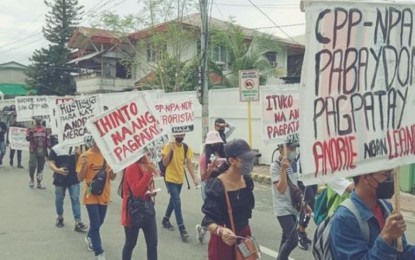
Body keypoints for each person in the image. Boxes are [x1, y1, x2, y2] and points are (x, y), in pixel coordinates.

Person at [330, 170, 415, 259]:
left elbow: (401, 251)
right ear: (366, 177)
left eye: (392, 175)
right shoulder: (344, 219)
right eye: (387, 175)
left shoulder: (386, 206)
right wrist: (386, 238)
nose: (391, 180)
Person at [201, 139, 259, 260]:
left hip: (244, 236)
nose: (250, 163)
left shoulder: (247, 181)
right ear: (232, 160)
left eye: (251, 159)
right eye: (246, 159)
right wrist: (221, 231)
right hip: (224, 242)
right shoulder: (217, 185)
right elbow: (207, 221)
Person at [77, 137, 117, 260]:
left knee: (100, 222)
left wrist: (116, 167)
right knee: (95, 223)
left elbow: (112, 177)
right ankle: (99, 253)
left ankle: (89, 236)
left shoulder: (108, 156)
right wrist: (83, 165)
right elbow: (79, 178)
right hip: (90, 195)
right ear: (93, 141)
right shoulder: (85, 156)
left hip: (104, 195)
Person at [271, 142, 311, 260]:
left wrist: (303, 204)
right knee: (293, 240)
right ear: (280, 149)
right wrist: (283, 169)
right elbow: (281, 189)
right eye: (291, 148)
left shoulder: (293, 164)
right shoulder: (275, 166)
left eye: (294, 148)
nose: (294, 151)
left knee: (286, 238)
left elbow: (295, 187)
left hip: (293, 207)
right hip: (282, 209)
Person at [160, 133, 199, 242]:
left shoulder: (186, 147)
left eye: (182, 134)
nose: (180, 136)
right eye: (178, 134)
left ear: (184, 134)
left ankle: (165, 219)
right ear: (174, 134)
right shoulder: (168, 146)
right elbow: (164, 162)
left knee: (173, 201)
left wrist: (194, 179)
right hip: (170, 178)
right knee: (177, 202)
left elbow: (189, 164)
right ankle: (182, 230)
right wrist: (171, 150)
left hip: (180, 179)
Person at [121, 154, 158, 260]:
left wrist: (152, 191)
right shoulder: (131, 167)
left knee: (153, 244)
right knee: (130, 243)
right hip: (134, 211)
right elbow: (136, 191)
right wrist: (149, 173)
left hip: (147, 208)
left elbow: (149, 184)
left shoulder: (147, 164)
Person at [47, 142, 88, 232]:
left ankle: (78, 221)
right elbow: (50, 162)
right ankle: (60, 216)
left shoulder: (77, 148)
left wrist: (79, 154)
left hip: (74, 177)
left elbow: (85, 161)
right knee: (59, 198)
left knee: (75, 198)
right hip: (60, 178)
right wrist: (57, 170)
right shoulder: (56, 149)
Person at [196, 130, 226, 244]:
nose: (215, 145)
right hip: (209, 186)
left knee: (218, 211)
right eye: (213, 144)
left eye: (217, 143)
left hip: (221, 185)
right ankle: (214, 234)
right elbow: (203, 177)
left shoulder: (223, 155)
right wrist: (210, 169)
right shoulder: (205, 157)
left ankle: (204, 229)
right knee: (212, 211)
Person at [26, 116, 50, 189]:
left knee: (41, 168)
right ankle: (32, 179)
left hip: (42, 151)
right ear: (35, 120)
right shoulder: (31, 129)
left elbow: (47, 140)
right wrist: (31, 132)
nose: (38, 120)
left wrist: (49, 148)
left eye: (39, 118)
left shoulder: (45, 129)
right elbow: (27, 138)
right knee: (32, 165)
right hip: (33, 150)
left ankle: (39, 183)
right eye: (37, 118)